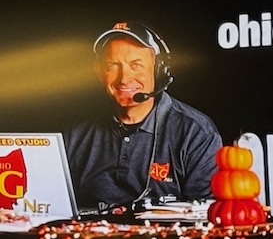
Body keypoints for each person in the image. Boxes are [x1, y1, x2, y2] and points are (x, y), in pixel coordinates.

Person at [66, 20, 222, 214]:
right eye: (113, 65)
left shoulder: (196, 133)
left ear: (159, 71)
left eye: (136, 65)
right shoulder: (76, 133)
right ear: (99, 72)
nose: (124, 79)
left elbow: (205, 214)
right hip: (89, 233)